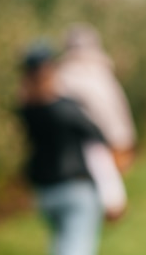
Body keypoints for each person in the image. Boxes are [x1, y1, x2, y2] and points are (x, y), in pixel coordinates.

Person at [17, 42, 106, 255]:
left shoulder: (26, 109)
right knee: (77, 249)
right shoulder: (65, 108)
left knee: (60, 246)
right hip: (76, 188)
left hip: (45, 192)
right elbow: (96, 133)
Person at [55, 23, 137, 220]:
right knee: (102, 183)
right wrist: (123, 138)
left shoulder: (63, 76)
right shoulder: (96, 74)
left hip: (79, 147)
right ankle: (109, 208)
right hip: (91, 141)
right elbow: (112, 108)